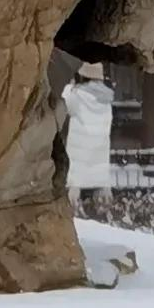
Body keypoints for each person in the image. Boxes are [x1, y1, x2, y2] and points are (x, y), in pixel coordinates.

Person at [59, 61, 116, 213]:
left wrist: (70, 86)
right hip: (98, 153)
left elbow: (64, 102)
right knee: (96, 186)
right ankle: (100, 207)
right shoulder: (106, 101)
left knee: (73, 188)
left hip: (79, 153)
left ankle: (74, 208)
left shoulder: (77, 96)